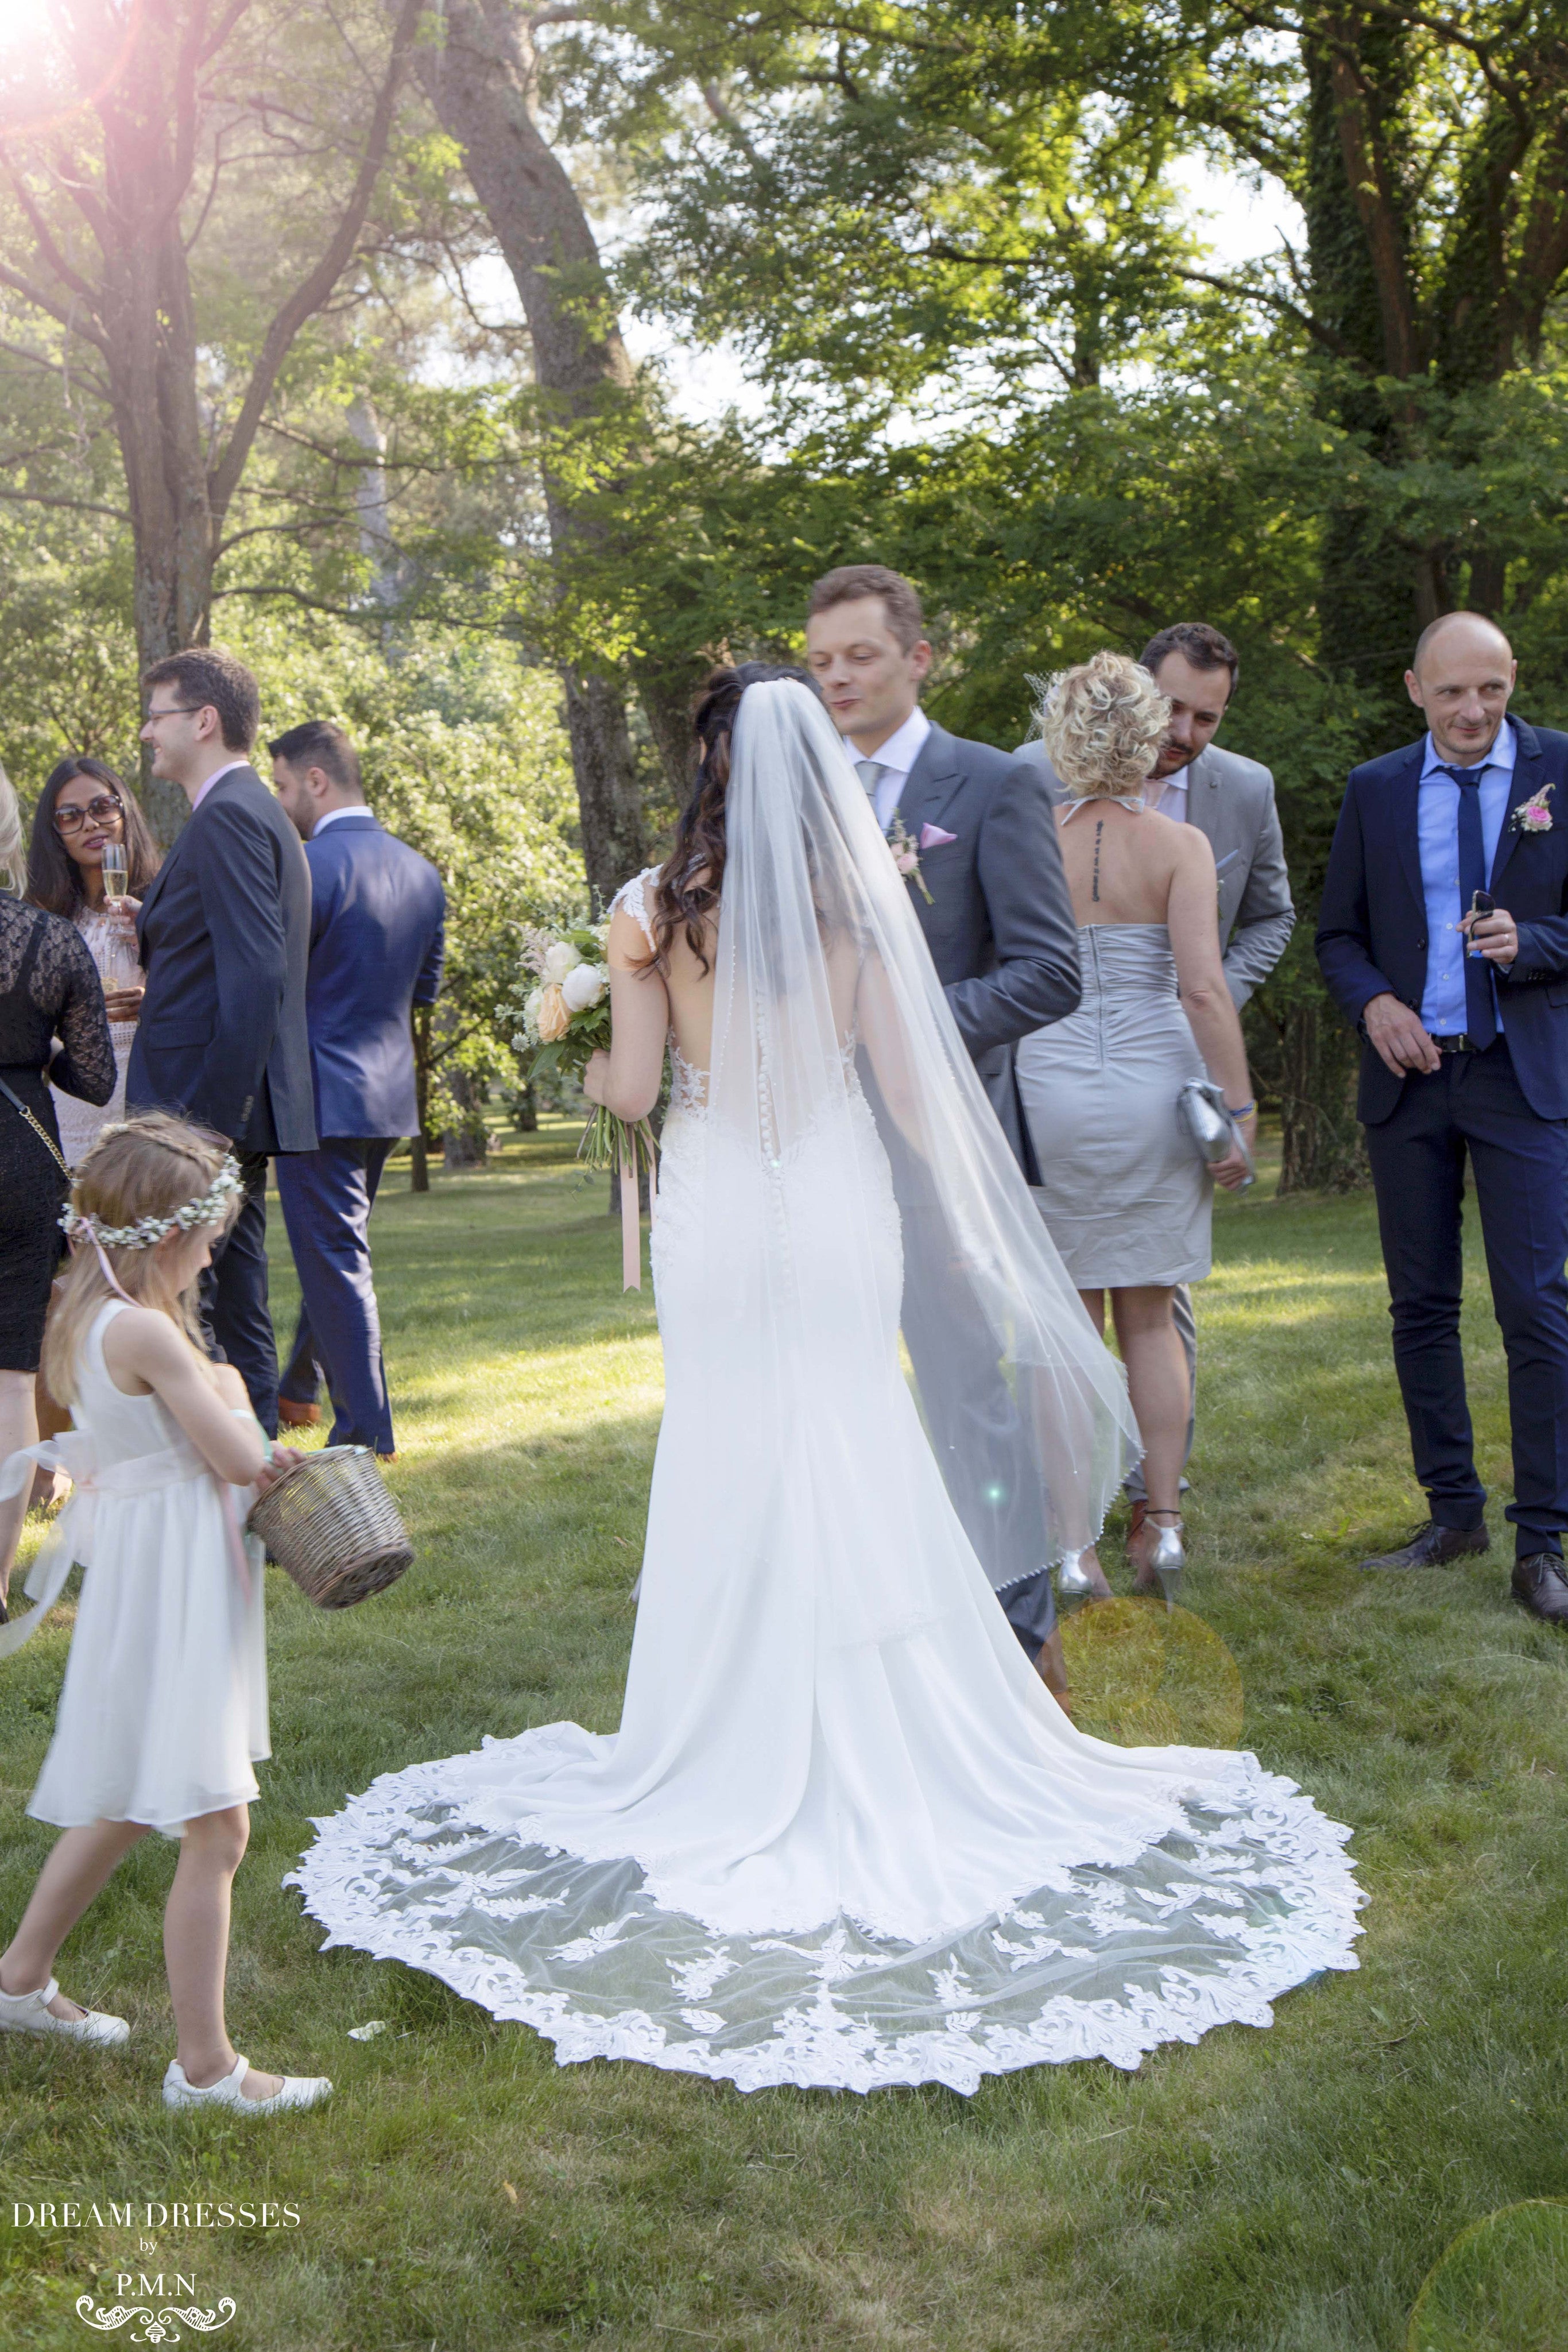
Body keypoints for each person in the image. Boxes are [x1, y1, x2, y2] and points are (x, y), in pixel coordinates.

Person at [289, 666, 1362, 2096]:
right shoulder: (869, 912)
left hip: (725, 1200)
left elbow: (628, 1093)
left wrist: (574, 1009)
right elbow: (917, 1103)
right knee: (859, 1430)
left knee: (734, 1438)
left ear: (712, 766)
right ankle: (901, 1716)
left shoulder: (650, 909)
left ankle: (723, 1727)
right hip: (842, 1196)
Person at [0, 1113, 331, 2113]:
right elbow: (241, 1457)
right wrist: (238, 1394)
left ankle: (16, 1982)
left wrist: (219, 1391)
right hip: (175, 1581)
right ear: (164, 1238)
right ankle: (207, 2069)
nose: (213, 1256)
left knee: (124, 1798)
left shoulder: (90, 1316)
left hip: (153, 1572)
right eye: (207, 1239)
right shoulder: (146, 1329)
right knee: (215, 1824)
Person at [804, 563, 1082, 1689]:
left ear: (917, 659)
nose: (837, 680)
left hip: (946, 1137)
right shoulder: (800, 790)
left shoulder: (990, 785)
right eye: (820, 662)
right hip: (823, 1144)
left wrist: (908, 1026)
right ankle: (886, 1617)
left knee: (968, 1378)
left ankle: (1015, 1627)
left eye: (859, 657)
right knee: (844, 1378)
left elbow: (1049, 971)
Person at [1317, 612, 1568, 1626]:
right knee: (1420, 1307)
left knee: (1536, 1306)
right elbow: (1337, 934)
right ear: (1414, 688)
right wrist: (1376, 1002)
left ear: (1512, 684)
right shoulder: (1375, 789)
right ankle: (1451, 1514)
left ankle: (1542, 1539)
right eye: (1452, 692)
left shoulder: (1562, 770)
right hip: (1411, 1080)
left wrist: (1537, 942)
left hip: (1523, 1079)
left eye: (1492, 691)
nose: (1472, 712)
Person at [1019, 622, 1293, 1530]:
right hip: (1152, 1088)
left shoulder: (1025, 836)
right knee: (1149, 1318)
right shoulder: (1177, 846)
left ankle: (1070, 1543)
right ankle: (1164, 1525)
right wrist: (1238, 1110)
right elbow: (1204, 991)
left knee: (1066, 1328)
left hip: (1045, 1088)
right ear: (1143, 736)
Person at [119, 648, 316, 1437]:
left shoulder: (231, 813)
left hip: (205, 1114)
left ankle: (248, 1500)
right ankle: (249, 1499)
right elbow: (226, 956)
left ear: (203, 721)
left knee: (221, 1313)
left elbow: (258, 974)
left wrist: (205, 1126)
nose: (145, 734)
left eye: (157, 716)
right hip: (212, 1109)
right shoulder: (241, 812)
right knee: (228, 1304)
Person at [268, 719, 446, 1456]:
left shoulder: (309, 866)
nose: (279, 802)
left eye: (280, 785)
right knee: (337, 1249)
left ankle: (368, 1433)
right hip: (388, 1093)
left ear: (316, 780)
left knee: (335, 1259)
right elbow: (425, 989)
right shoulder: (423, 872)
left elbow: (272, 980)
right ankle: (299, 1390)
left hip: (316, 1093)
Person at [0, 765, 114, 1610]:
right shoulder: (49, 940)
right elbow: (95, 1077)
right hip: (20, 1157)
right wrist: (31, 1049)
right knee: (10, 1379)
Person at [27, 756, 160, 1163]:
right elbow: (27, 1020)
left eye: (102, 808)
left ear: (124, 811)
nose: (90, 824)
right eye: (70, 816)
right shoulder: (44, 921)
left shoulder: (163, 901)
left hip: (151, 1094)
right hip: (76, 1103)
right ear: (56, 832)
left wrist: (155, 993)